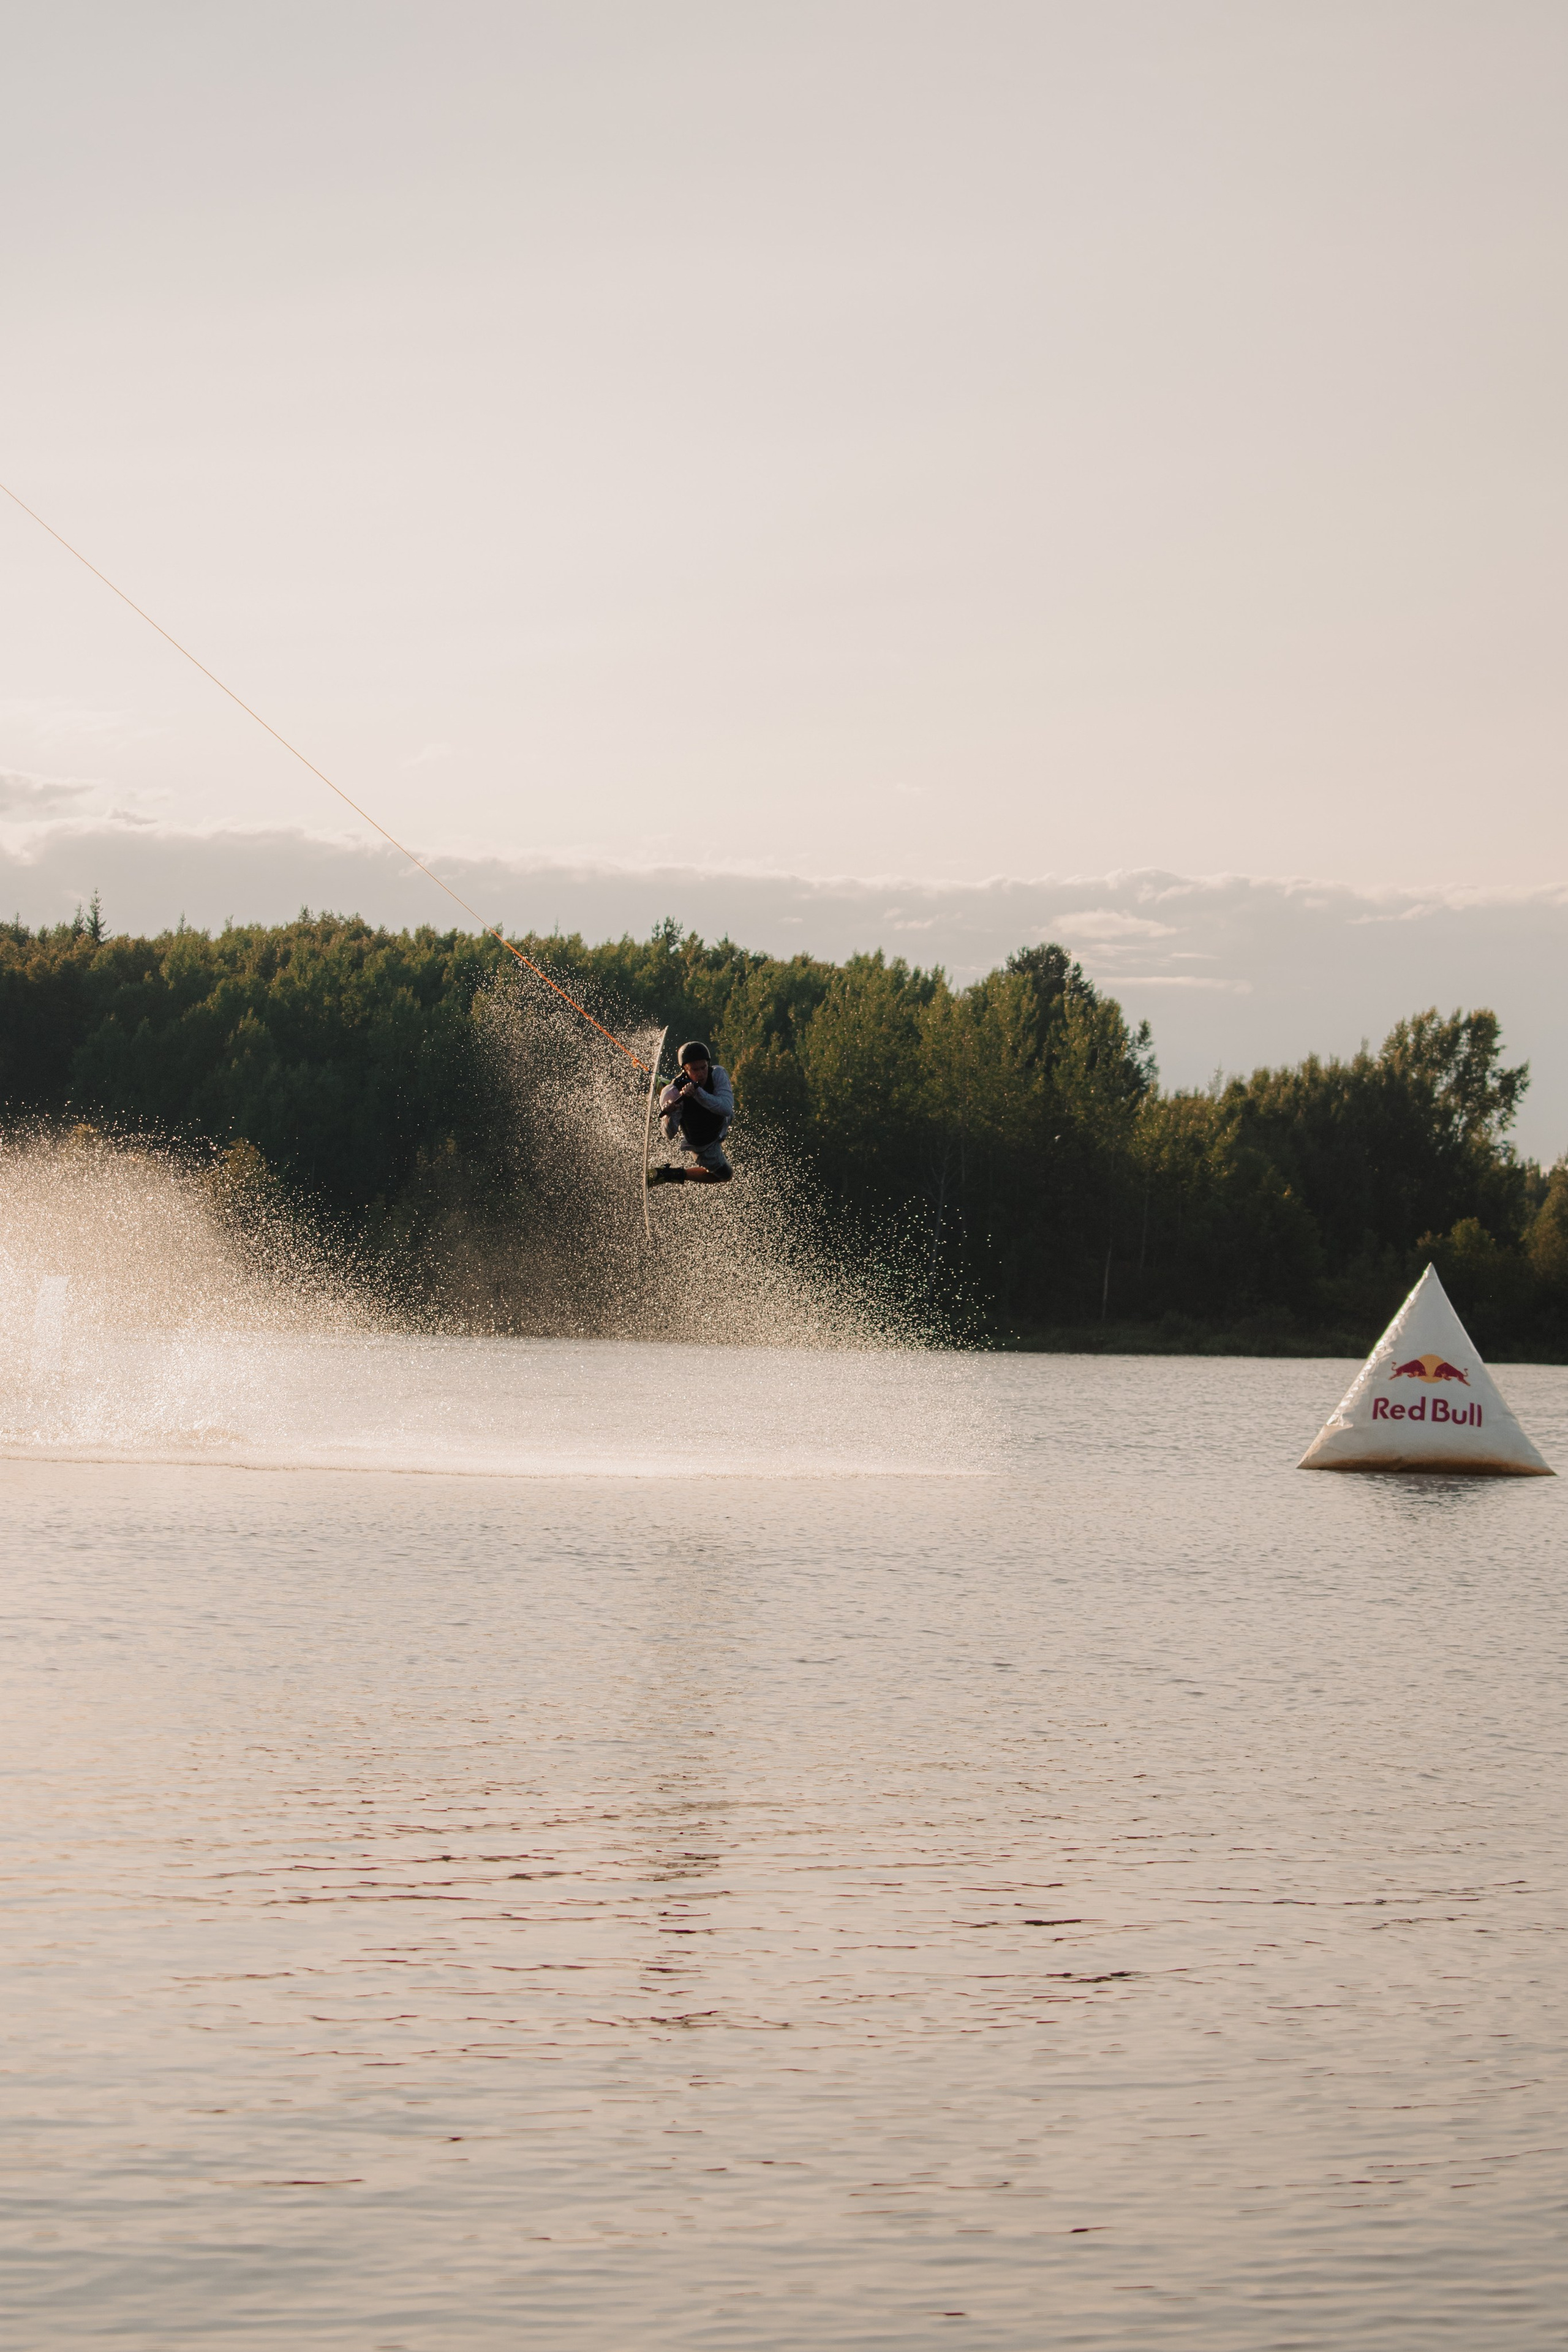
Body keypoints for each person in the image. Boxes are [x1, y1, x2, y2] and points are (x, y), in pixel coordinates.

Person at [647, 1041, 734, 1185]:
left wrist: (698, 1093)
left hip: (719, 1128)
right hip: (703, 1144)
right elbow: (669, 1134)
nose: (701, 1074)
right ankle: (667, 1174)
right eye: (695, 1070)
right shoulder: (674, 1093)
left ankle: (662, 1084)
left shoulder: (718, 1074)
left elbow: (726, 1109)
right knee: (725, 1175)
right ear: (685, 1070)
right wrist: (671, 1115)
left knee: (726, 1111)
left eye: (703, 1068)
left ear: (708, 1064)